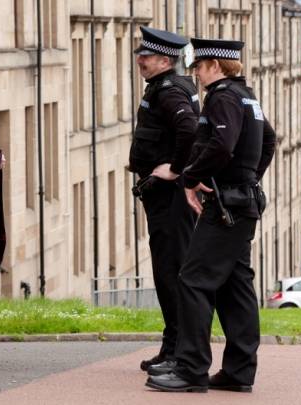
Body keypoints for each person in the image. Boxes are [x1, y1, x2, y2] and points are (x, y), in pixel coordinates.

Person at [146, 38, 276, 393]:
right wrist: (249, 177)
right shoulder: (247, 96)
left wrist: (190, 178)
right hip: (242, 202)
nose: (197, 74)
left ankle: (190, 369)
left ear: (215, 65)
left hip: (225, 207)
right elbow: (269, 141)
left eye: (200, 67)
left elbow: (221, 145)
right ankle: (238, 371)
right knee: (235, 286)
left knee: (193, 279)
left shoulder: (223, 97)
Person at [129, 26, 200, 373]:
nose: (140, 61)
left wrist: (174, 168)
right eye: (141, 55)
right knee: (167, 273)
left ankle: (179, 352)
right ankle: (172, 346)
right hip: (163, 200)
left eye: (147, 57)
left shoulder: (169, 91)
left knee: (171, 273)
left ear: (164, 60)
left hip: (170, 199)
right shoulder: (165, 87)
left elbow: (189, 129)